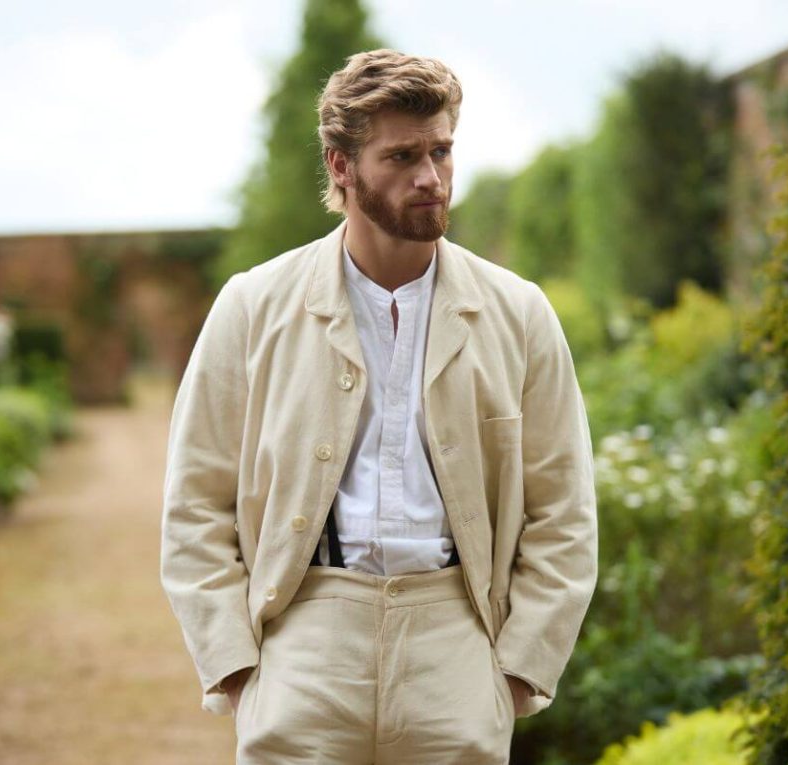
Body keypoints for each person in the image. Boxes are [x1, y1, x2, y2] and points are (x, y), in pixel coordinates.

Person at [160, 49, 597, 764]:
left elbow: (565, 510)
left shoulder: (519, 314)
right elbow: (193, 503)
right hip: (304, 644)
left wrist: (517, 671)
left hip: (456, 647)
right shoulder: (252, 306)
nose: (430, 177)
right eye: (401, 156)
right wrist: (238, 668)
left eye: (441, 151)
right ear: (341, 166)